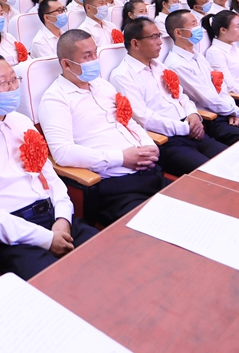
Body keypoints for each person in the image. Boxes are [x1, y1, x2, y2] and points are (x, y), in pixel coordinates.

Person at [0, 52, 97, 279]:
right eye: (3, 83)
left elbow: (50, 177)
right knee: (60, 282)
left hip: (56, 217)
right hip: (16, 235)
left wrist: (63, 218)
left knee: (107, 253)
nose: (13, 88)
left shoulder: (22, 122)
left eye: (14, 79)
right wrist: (45, 239)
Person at [39, 29, 164, 224]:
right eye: (87, 56)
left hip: (150, 171)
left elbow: (127, 121)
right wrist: (121, 158)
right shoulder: (55, 99)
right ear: (66, 64)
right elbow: (63, 152)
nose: (95, 60)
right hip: (117, 185)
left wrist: (148, 144)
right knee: (156, 225)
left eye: (95, 53)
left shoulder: (102, 85)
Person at [110, 18, 226, 176]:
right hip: (167, 140)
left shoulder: (159, 66)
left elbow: (181, 95)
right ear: (135, 44)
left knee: (231, 160)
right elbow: (143, 118)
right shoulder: (123, 75)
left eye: (159, 36)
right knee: (213, 174)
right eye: (153, 37)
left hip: (191, 128)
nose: (160, 42)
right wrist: (185, 128)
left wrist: (193, 114)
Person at [163, 9, 239, 145]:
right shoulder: (177, 65)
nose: (198, 28)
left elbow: (219, 86)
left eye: (197, 23)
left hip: (226, 111)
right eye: (193, 24)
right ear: (178, 32)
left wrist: (233, 112)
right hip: (211, 119)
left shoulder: (197, 55)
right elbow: (209, 99)